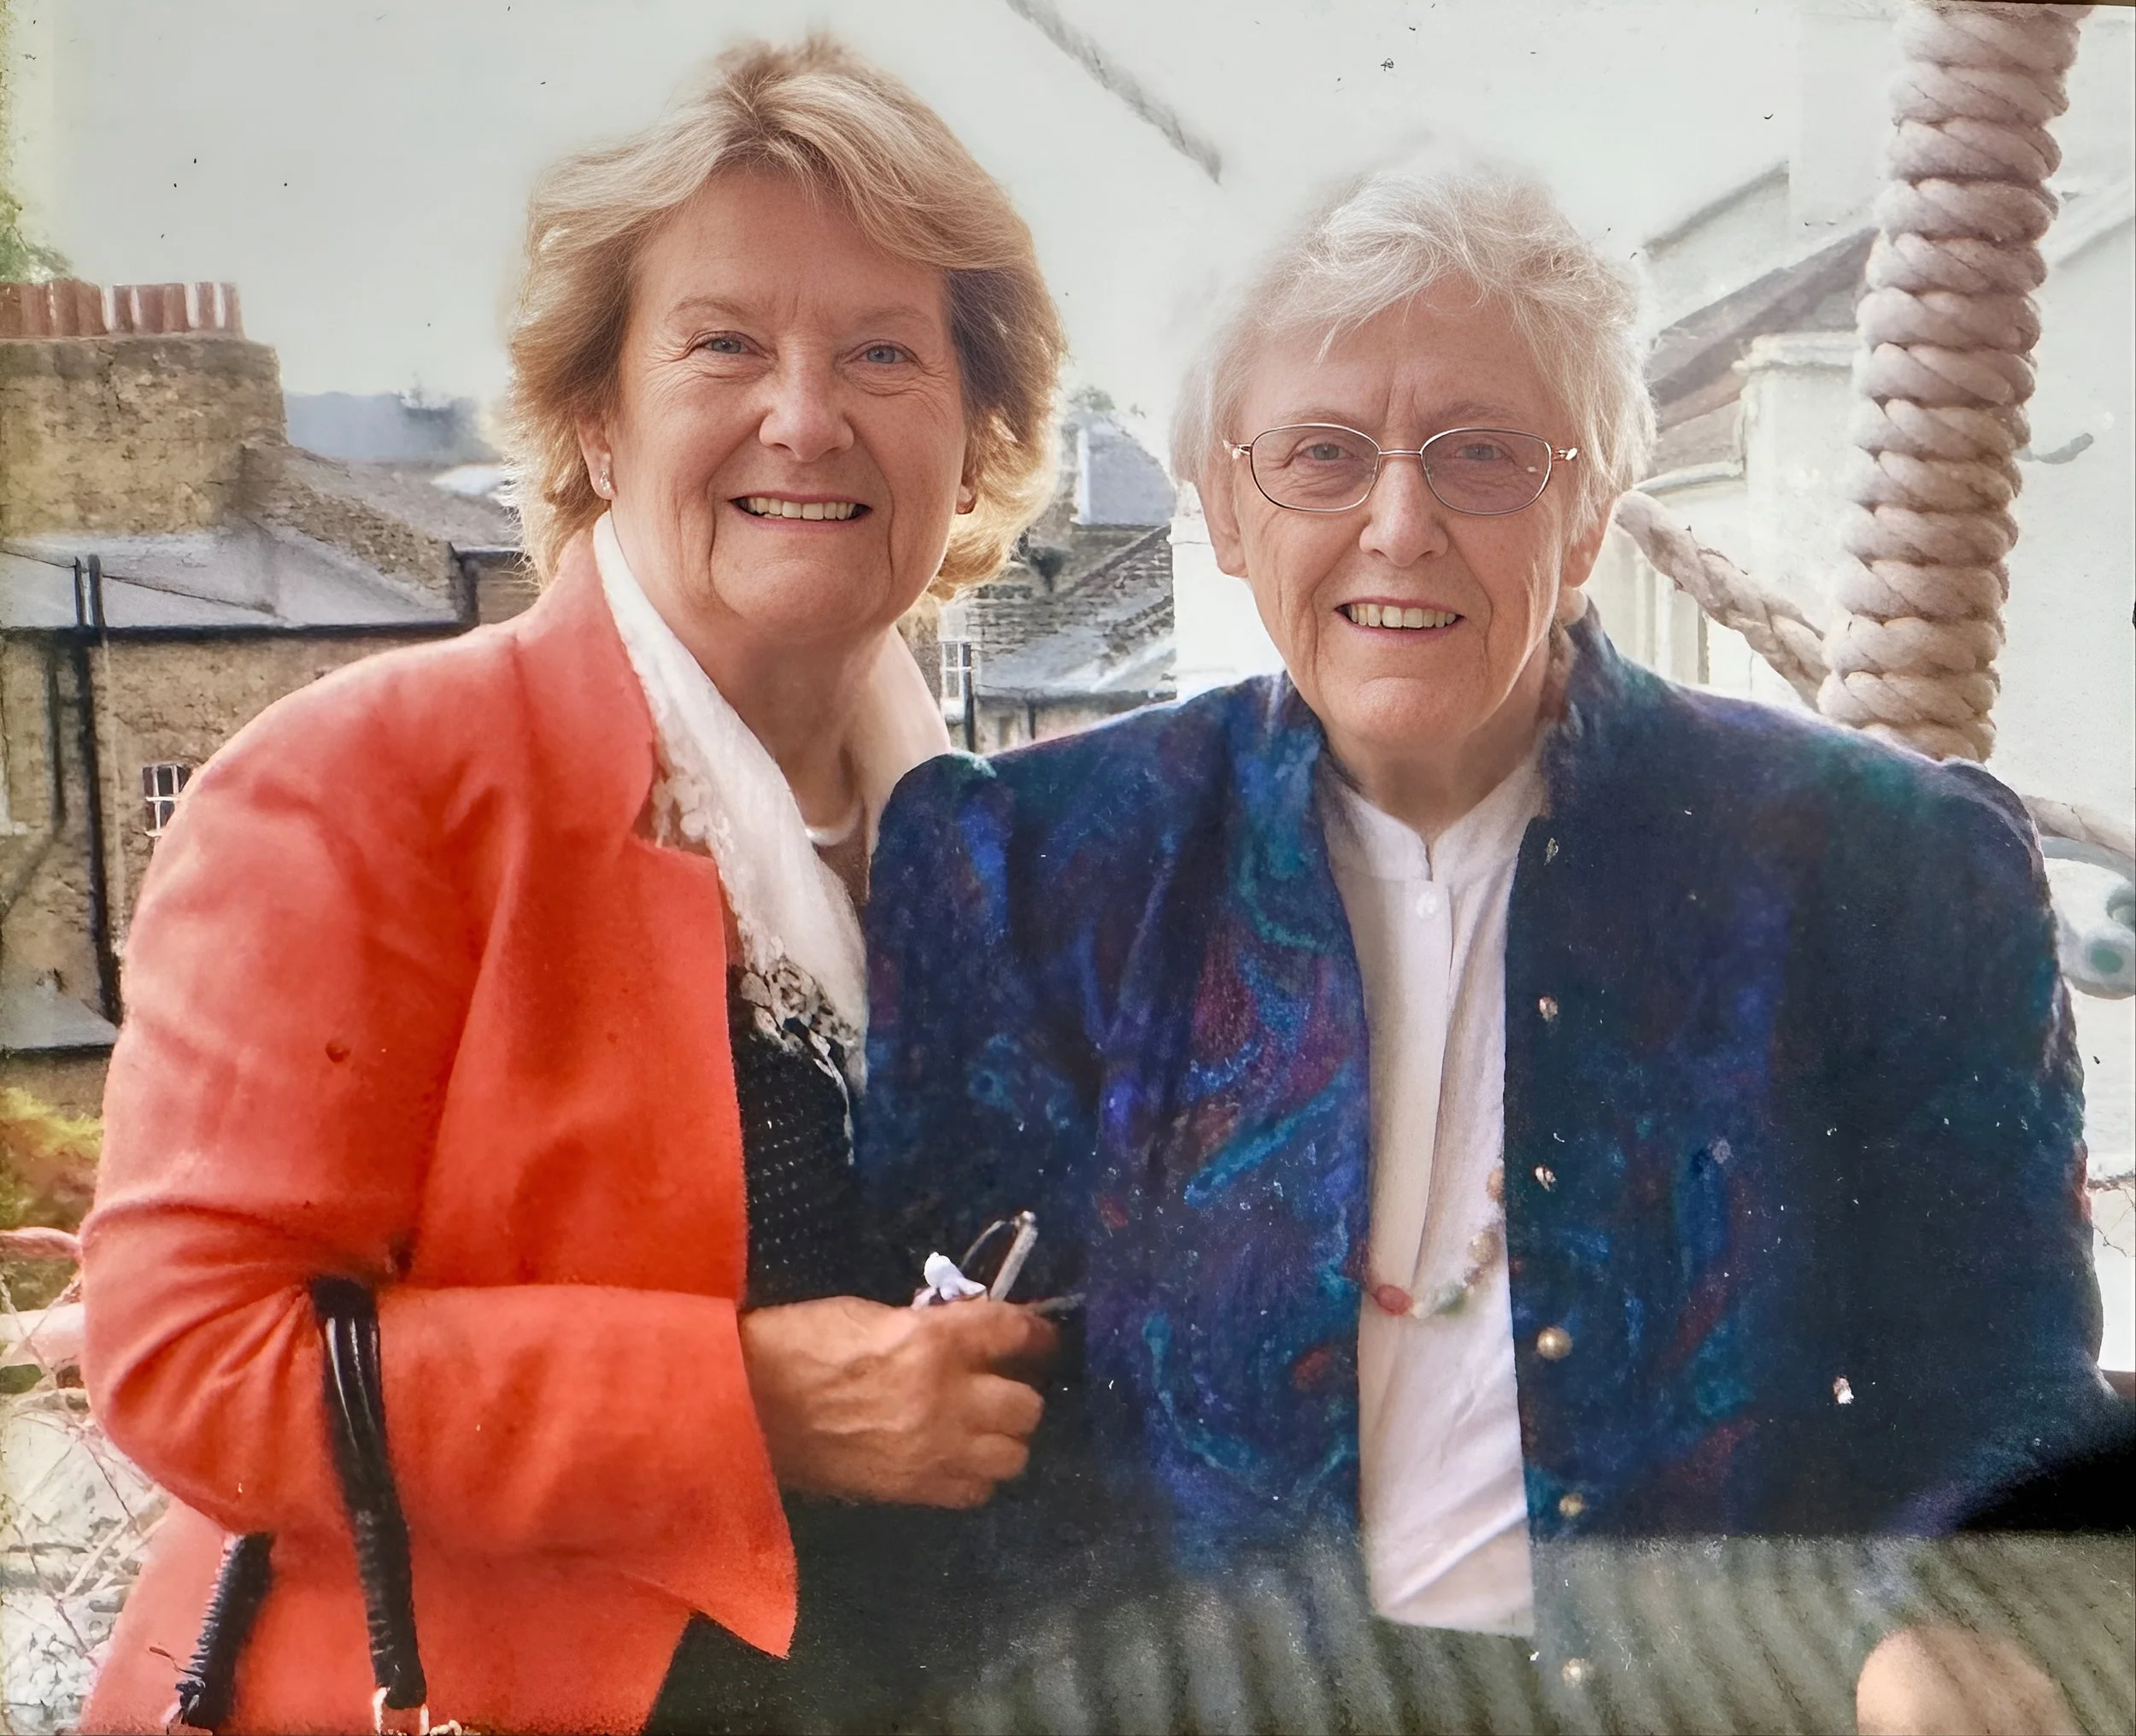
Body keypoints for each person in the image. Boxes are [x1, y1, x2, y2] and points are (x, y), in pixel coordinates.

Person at [859, 166, 2120, 1729]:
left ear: (1591, 511)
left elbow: (2001, 1388)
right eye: (1322, 456)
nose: (1401, 523)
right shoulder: (1030, 869)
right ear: (1228, 509)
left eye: (1487, 456)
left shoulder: (1886, 870)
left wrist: (1936, 1628)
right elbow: (952, 1440)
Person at [79, 36, 1064, 1733]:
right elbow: (187, 1357)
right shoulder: (365, 783)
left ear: (973, 437)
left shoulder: (1015, 851)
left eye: (886, 350)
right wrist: (736, 1403)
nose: (806, 414)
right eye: (724, 343)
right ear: (598, 418)